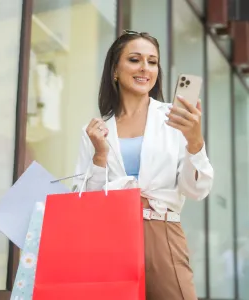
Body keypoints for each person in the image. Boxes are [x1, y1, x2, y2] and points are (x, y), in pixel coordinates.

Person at [73, 30, 214, 300]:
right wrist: (100, 156)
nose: (145, 69)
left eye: (152, 62)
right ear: (115, 70)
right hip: (109, 239)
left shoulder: (174, 120)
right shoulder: (94, 131)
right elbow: (85, 203)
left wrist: (195, 143)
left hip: (161, 232)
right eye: (135, 59)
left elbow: (196, 190)